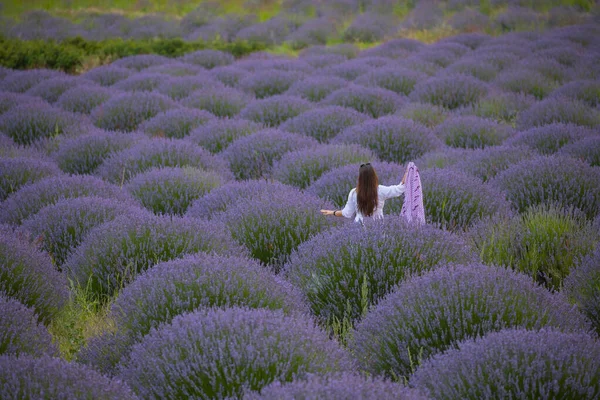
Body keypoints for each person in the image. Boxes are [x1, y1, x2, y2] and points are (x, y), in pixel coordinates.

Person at [320, 163, 408, 224]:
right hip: (377, 228)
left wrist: (332, 212)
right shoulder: (380, 190)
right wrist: (408, 172)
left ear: (360, 178)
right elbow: (399, 189)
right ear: (374, 177)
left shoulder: (354, 193)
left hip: (359, 229)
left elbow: (347, 213)